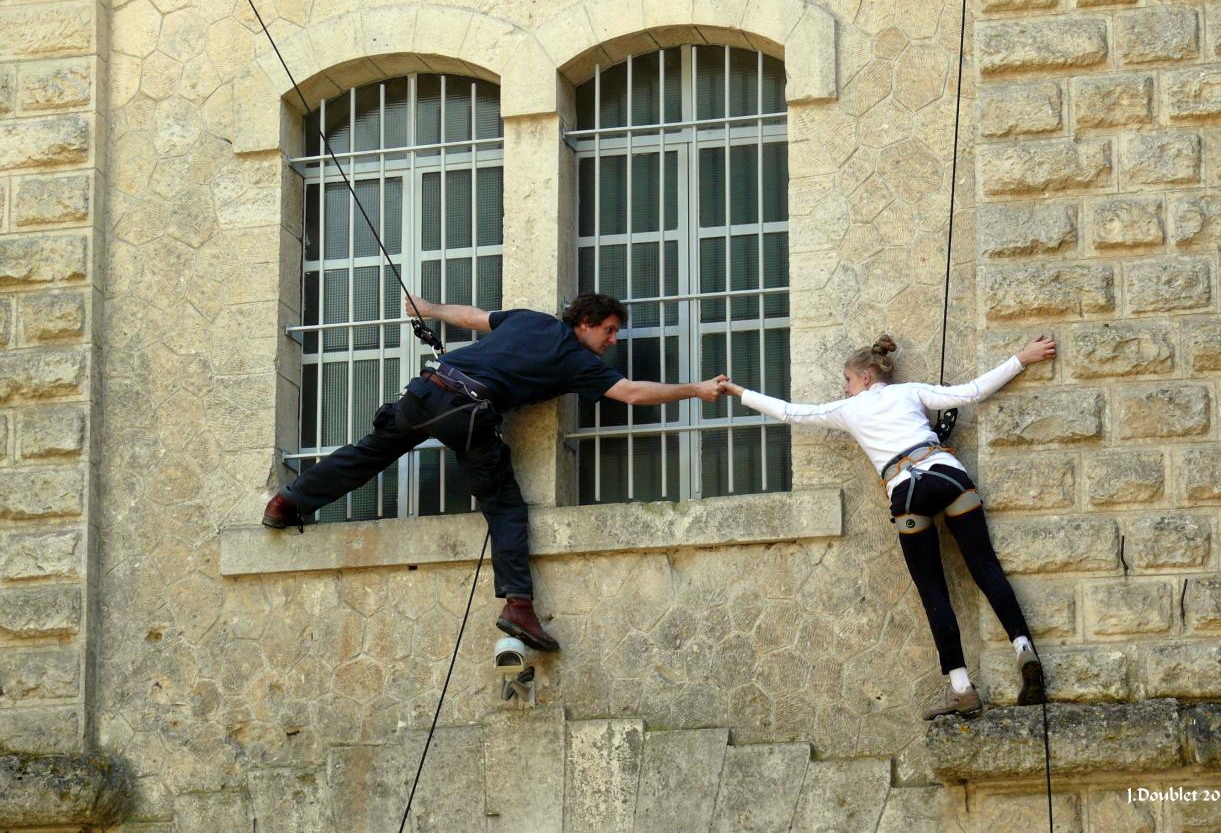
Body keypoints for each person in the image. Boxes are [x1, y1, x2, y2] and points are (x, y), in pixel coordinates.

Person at [264, 292, 726, 652]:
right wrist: (696, 389)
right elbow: (631, 394)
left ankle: (288, 502)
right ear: (584, 323)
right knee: (505, 508)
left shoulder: (530, 319)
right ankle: (519, 607)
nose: (612, 342)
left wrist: (430, 308)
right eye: (608, 331)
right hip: (467, 412)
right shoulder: (577, 361)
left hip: (426, 392)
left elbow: (472, 317)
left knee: (368, 453)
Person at [719, 334, 1057, 719]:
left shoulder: (849, 409)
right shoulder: (910, 392)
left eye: (846, 380)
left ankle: (962, 688)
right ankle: (1022, 647)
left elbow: (791, 412)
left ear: (864, 378)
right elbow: (972, 392)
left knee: (934, 592)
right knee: (984, 567)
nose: (843, 388)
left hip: (907, 492)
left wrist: (738, 390)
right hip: (948, 476)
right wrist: (1023, 357)